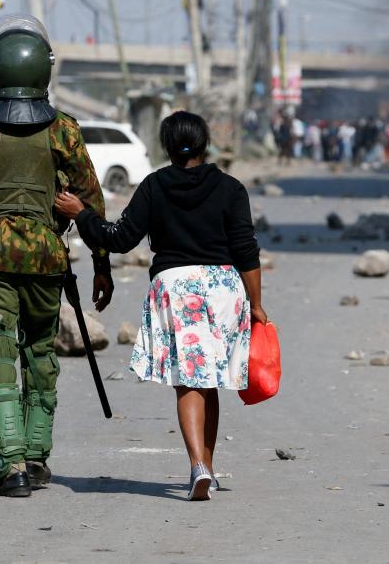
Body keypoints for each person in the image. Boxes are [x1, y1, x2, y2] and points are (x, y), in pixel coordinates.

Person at [0, 14, 114, 498]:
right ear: (42, 70)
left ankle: (9, 467)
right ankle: (35, 458)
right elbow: (92, 204)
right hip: (47, 264)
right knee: (40, 354)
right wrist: (101, 264)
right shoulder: (64, 130)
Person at [55, 111, 267, 502]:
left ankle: (198, 467)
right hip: (224, 290)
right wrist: (256, 305)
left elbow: (119, 238)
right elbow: (246, 250)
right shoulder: (231, 188)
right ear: (205, 145)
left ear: (167, 147)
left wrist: (79, 214)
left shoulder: (154, 186)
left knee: (187, 379)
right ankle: (208, 466)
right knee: (211, 380)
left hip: (177, 287)